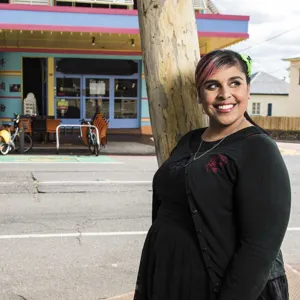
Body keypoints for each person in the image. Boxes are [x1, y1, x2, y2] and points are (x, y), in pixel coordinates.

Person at [133, 49, 291, 300]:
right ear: (199, 95)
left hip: (218, 289)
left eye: (235, 83)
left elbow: (260, 248)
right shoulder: (190, 140)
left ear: (248, 90)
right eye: (212, 85)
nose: (225, 94)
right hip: (169, 278)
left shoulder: (258, 148)